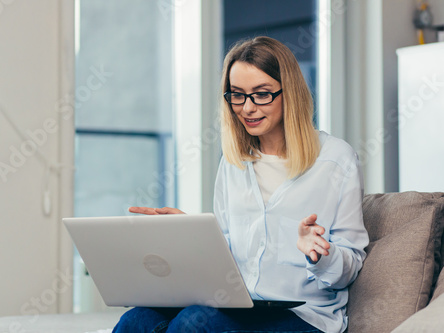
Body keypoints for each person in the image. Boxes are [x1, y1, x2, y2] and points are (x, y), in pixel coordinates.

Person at [113, 36, 369, 333]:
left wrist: (321, 254)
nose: (247, 108)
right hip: (240, 305)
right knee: (136, 320)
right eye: (237, 95)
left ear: (290, 94)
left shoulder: (336, 159)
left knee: (194, 324)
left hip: (307, 315)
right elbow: (226, 257)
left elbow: (351, 265)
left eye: (261, 94)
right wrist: (189, 236)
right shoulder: (234, 161)